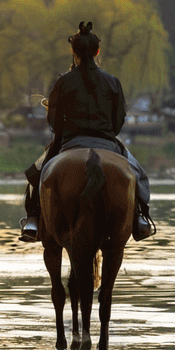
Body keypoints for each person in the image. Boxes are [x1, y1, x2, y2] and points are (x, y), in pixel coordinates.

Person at [19, 21, 156, 243]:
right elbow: (119, 119)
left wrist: (63, 136)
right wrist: (107, 132)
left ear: (74, 52)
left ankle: (33, 220)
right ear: (97, 51)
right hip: (107, 142)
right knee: (138, 174)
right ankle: (140, 219)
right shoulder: (113, 82)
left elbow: (53, 120)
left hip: (70, 142)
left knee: (37, 175)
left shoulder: (63, 82)